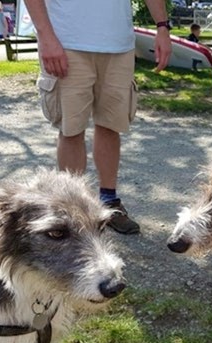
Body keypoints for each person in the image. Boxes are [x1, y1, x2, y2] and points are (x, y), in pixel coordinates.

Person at [25, 0, 172, 234]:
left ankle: (108, 201)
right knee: (71, 129)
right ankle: (73, 210)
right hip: (66, 41)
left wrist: (163, 27)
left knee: (111, 126)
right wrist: (45, 36)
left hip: (118, 45)